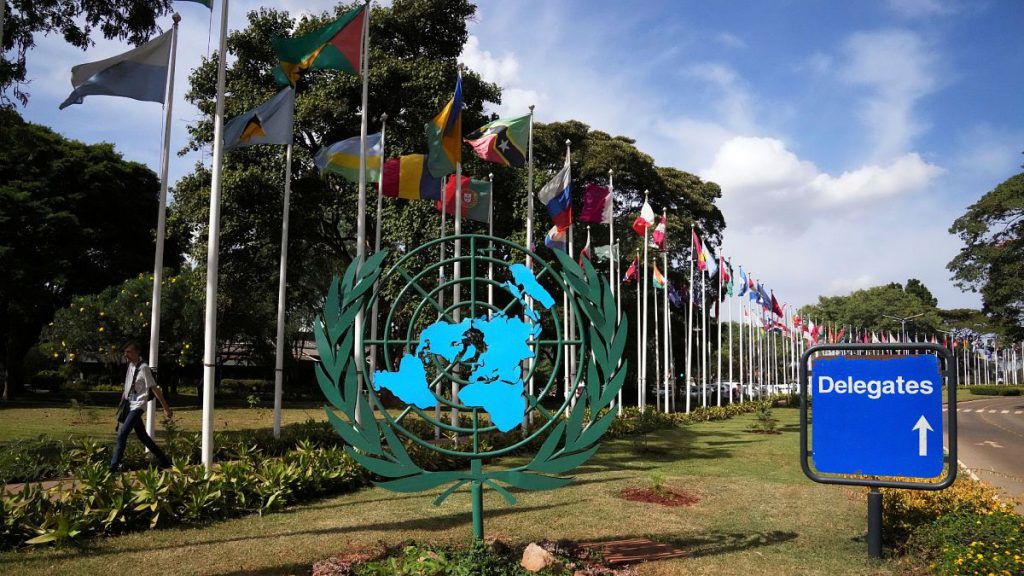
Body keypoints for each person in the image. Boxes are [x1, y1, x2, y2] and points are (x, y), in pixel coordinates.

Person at [110, 342, 172, 472]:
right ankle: (165, 462)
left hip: (138, 405)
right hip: (129, 405)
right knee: (143, 436)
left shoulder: (144, 368)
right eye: (125, 352)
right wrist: (122, 402)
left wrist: (166, 408)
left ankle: (112, 469)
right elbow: (127, 386)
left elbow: (154, 388)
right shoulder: (130, 366)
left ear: (137, 352)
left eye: (129, 352)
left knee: (122, 433)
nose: (126, 354)